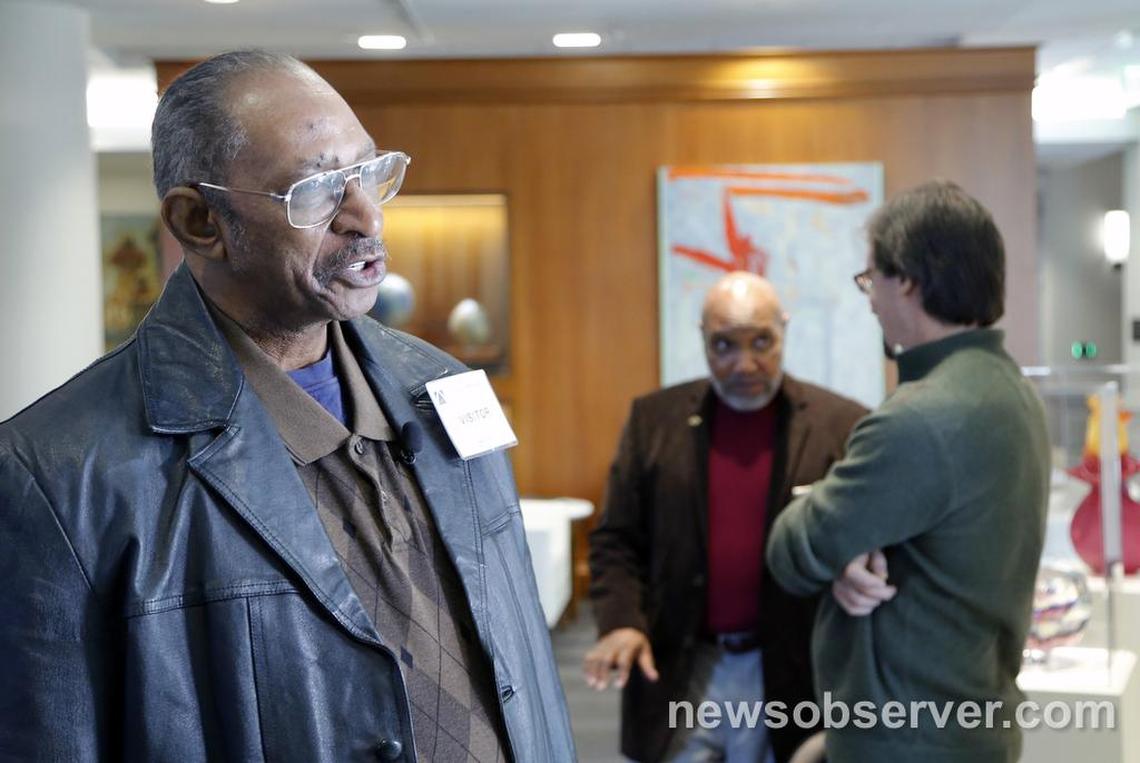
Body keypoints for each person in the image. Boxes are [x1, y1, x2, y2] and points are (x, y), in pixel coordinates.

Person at [0, 50, 574, 762]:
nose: (367, 217)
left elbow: (524, 665)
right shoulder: (56, 473)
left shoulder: (445, 385)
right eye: (319, 189)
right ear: (199, 221)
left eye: (369, 172)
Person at [766, 180, 1050, 763]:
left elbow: (792, 552)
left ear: (910, 282)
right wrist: (852, 550)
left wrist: (831, 532)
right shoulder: (1012, 393)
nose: (870, 301)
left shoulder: (918, 420)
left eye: (872, 280)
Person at [585, 272, 868, 762]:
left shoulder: (840, 426)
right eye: (723, 345)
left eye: (762, 342)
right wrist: (621, 622)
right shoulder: (654, 421)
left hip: (790, 668)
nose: (745, 364)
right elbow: (616, 540)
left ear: (784, 331)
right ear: (702, 339)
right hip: (682, 662)